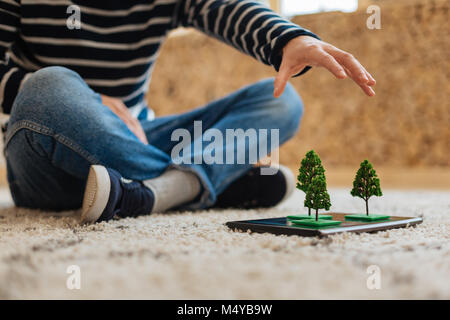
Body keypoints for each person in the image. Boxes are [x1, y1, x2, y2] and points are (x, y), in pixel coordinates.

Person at [0, 0, 375, 223]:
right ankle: (204, 180)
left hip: (138, 138)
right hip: (46, 162)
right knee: (47, 87)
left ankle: (157, 190)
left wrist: (289, 38)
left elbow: (226, 7)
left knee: (280, 100)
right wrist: (86, 98)